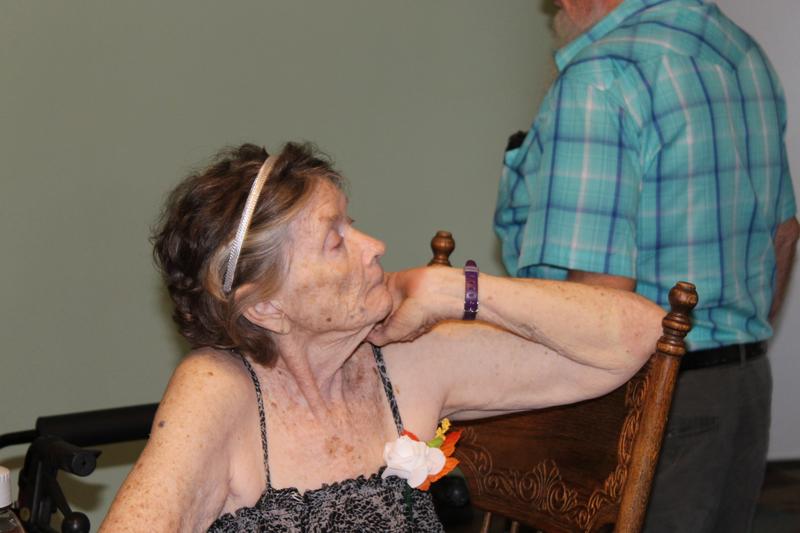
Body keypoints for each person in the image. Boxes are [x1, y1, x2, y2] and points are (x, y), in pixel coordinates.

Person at [100, 142, 663, 532]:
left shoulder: (404, 360)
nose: (374, 246)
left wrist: (458, 290)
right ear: (266, 306)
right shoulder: (218, 390)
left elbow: (639, 337)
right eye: (335, 240)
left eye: (352, 223)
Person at [494, 0, 800, 532]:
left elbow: (598, 296)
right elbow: (785, 233)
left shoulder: (601, 75)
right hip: (744, 384)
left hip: (647, 398)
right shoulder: (742, 53)